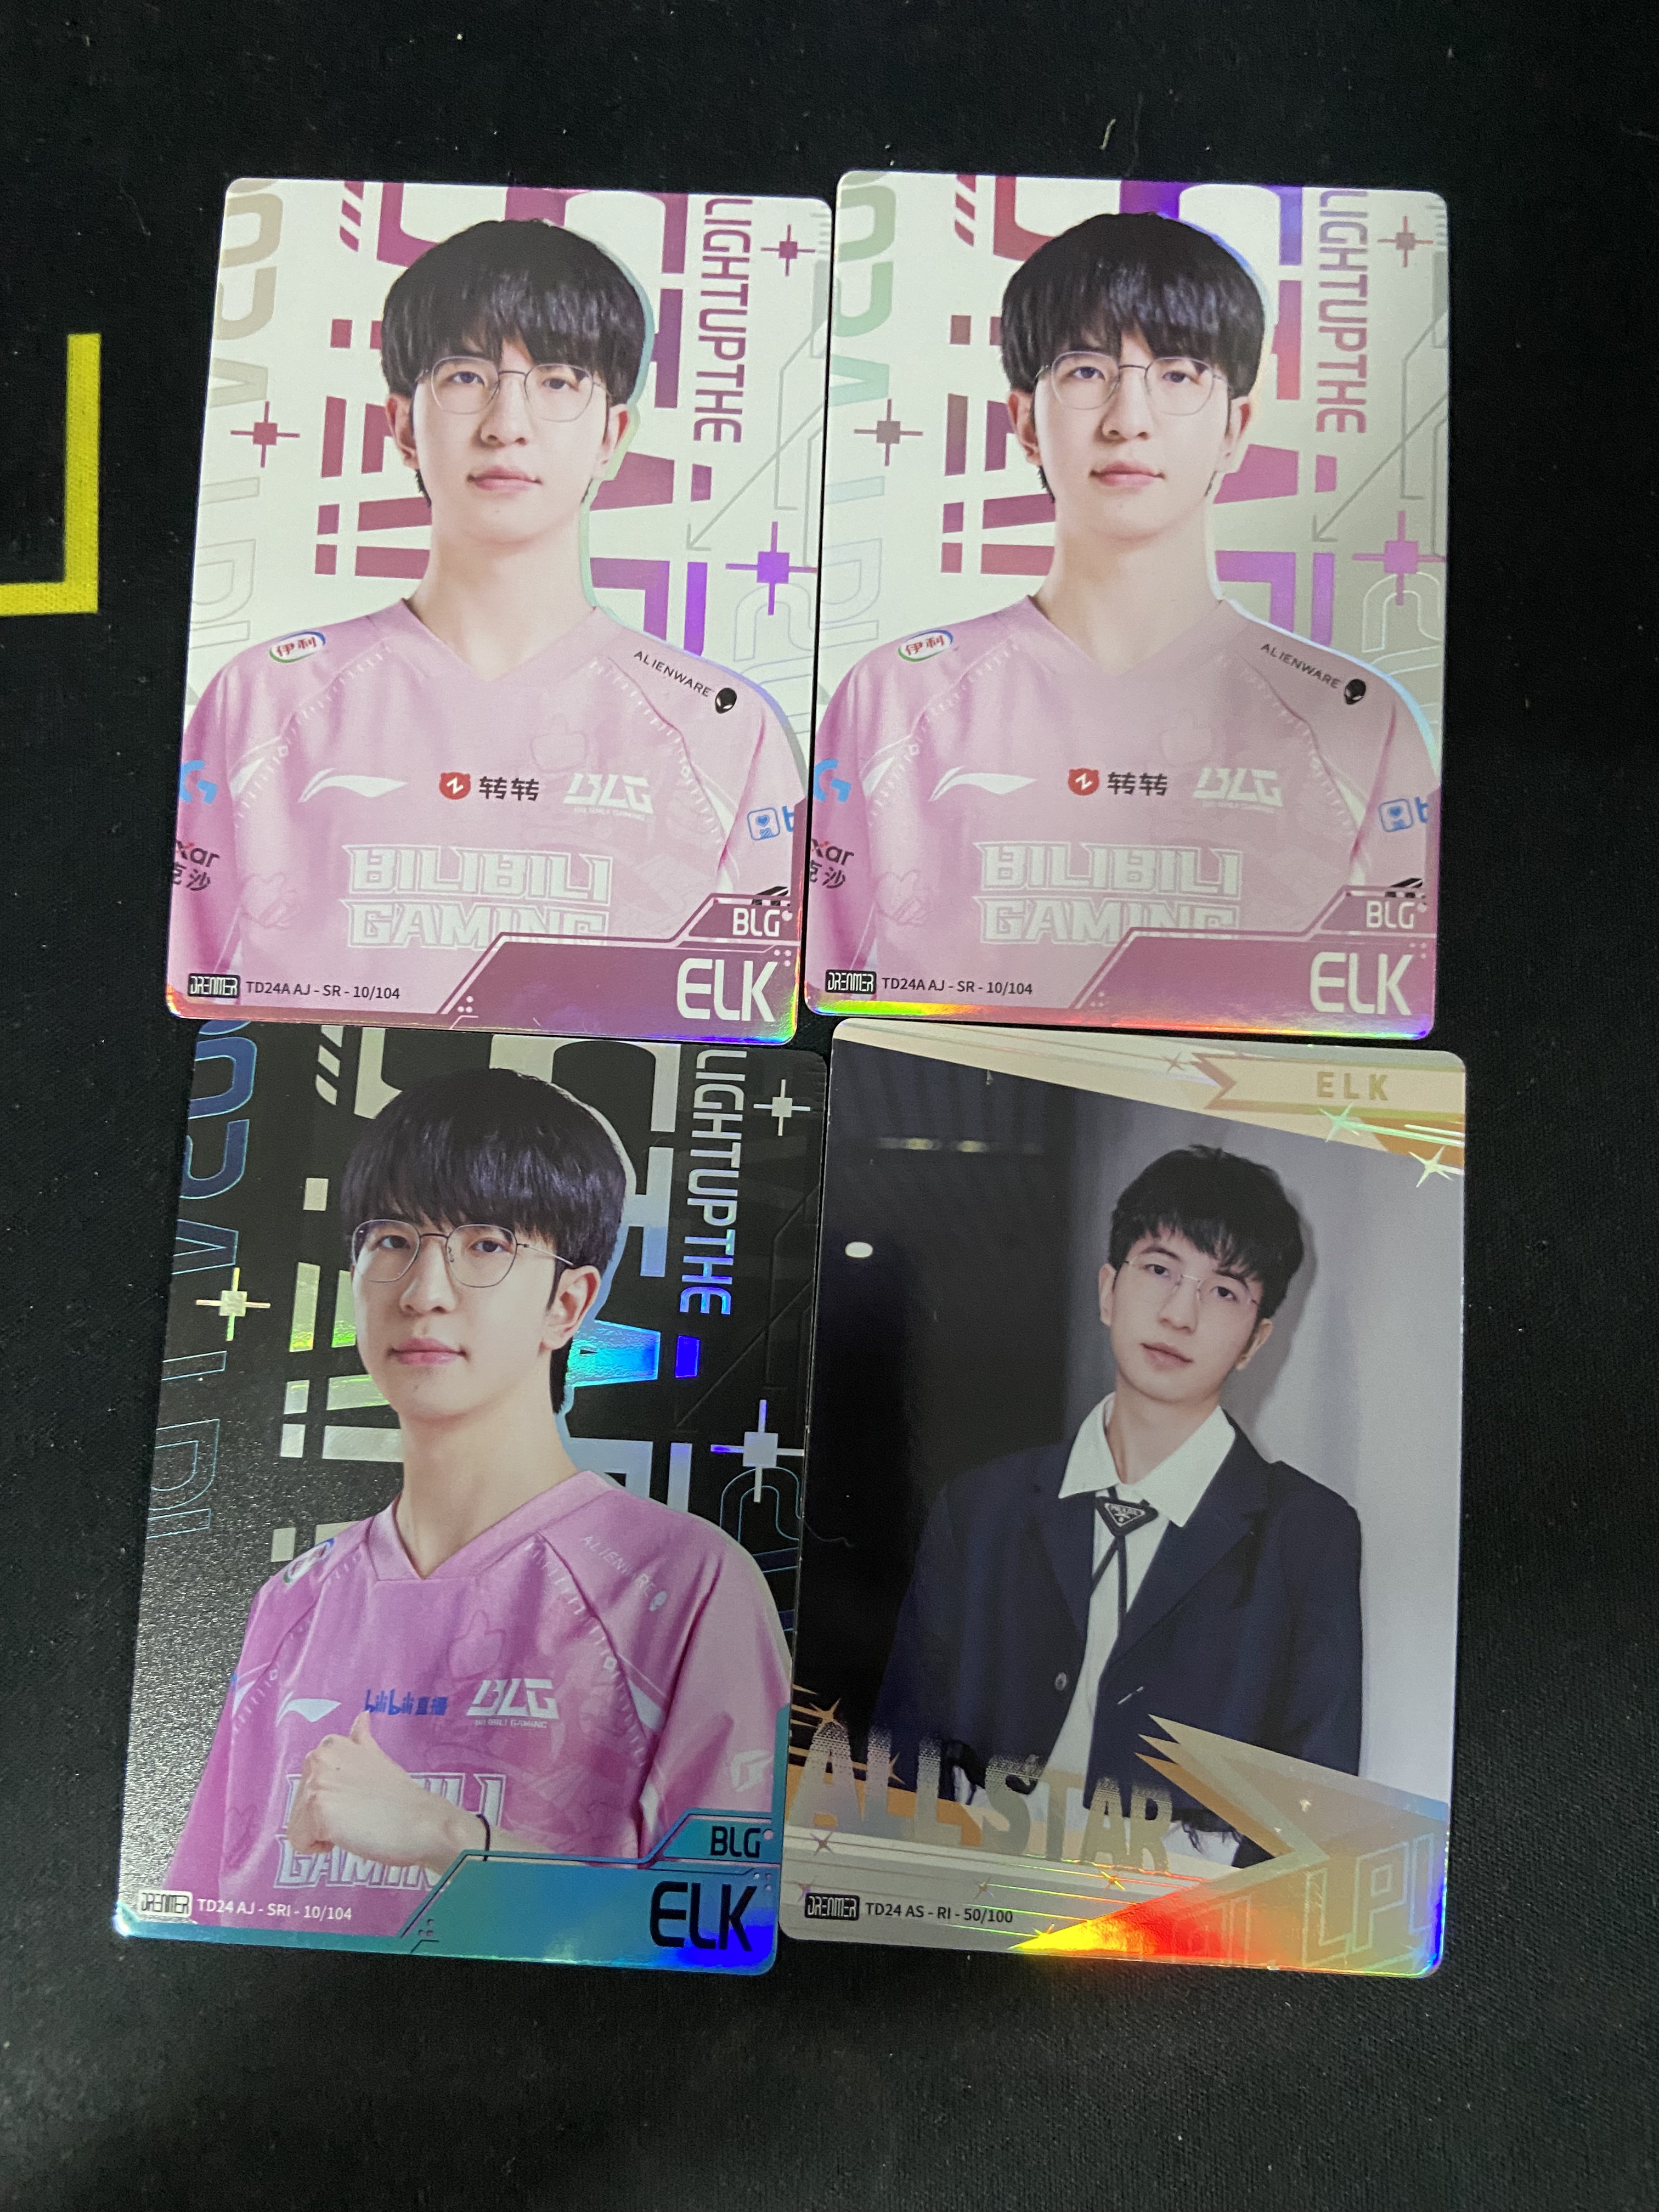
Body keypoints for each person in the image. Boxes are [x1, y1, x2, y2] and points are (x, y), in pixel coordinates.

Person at [165, 1068, 789, 1936]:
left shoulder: (682, 1585)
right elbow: (192, 1918)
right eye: (392, 1240)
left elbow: (730, 1926)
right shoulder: (291, 1603)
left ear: (568, 1303)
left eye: (486, 1245)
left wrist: (449, 1839)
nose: (424, 1291)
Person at [168, 219, 803, 1020]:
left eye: (559, 381)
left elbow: (754, 1023)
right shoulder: (263, 701)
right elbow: (192, 1002)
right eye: (467, 376)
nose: (508, 423)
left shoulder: (720, 727)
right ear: (404, 425)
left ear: (611, 436)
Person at [807, 210, 1437, 1016]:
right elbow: (834, 998)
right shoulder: (894, 699)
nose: (1127, 419)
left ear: (1236, 425)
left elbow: (1393, 1010)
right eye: (1085, 370)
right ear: (1025, 421)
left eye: (1179, 374)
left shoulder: (1357, 720)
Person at [871, 1144, 1361, 1855]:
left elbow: (1310, 1805)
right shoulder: (979, 1510)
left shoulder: (1309, 1532)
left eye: (1224, 1291)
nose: (1180, 1314)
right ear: (1108, 1291)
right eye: (1159, 1270)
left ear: (1255, 1341)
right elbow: (900, 1751)